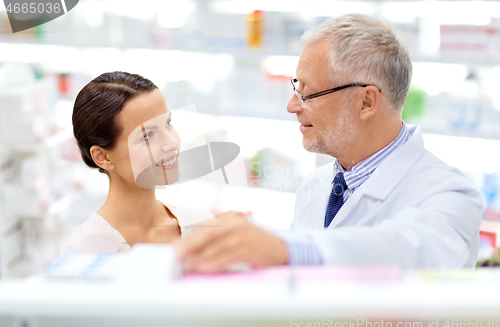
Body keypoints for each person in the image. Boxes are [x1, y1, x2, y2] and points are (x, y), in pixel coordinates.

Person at [174, 14, 484, 272]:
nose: (292, 106)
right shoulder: (317, 184)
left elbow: (411, 249)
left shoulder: (448, 193)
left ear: (366, 102)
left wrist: (284, 247)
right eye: (296, 87)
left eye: (308, 93)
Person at [61, 71, 212, 254]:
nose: (172, 143)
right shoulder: (82, 252)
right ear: (103, 157)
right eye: (148, 135)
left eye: (167, 123)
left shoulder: (202, 228)